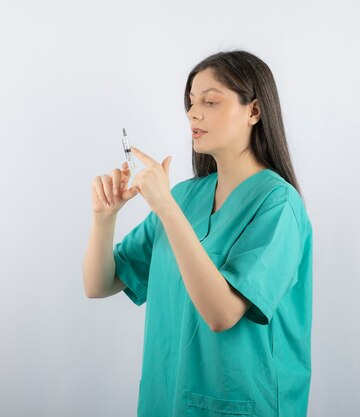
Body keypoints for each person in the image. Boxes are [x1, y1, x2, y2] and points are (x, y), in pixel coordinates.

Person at [83, 50, 313, 417]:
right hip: (168, 399)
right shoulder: (186, 197)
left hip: (243, 403)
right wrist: (103, 218)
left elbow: (221, 314)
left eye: (210, 101)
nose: (193, 113)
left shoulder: (278, 205)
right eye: (191, 102)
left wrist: (166, 209)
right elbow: (100, 284)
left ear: (254, 111)